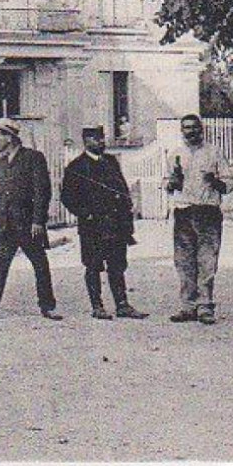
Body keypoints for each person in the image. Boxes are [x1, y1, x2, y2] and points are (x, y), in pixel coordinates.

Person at [0, 119, 62, 321]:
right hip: (4, 225)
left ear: (9, 137)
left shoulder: (33, 158)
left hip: (29, 225)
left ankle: (48, 306)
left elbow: (42, 191)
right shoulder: (1, 163)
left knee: (40, 264)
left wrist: (38, 220)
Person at [61, 125, 148, 321]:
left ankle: (122, 305)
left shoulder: (111, 162)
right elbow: (67, 197)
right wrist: (86, 214)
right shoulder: (76, 166)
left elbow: (122, 188)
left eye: (101, 138)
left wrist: (127, 216)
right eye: (95, 139)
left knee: (117, 265)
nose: (100, 142)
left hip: (115, 224)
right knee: (93, 266)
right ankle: (97, 306)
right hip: (93, 226)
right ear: (86, 141)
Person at [166, 114, 233, 326]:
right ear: (182, 131)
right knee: (184, 260)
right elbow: (168, 183)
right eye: (186, 128)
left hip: (208, 212)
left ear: (201, 129)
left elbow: (229, 182)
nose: (190, 131)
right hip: (184, 211)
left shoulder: (213, 152)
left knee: (207, 260)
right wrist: (173, 182)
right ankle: (187, 306)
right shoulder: (176, 154)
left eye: (194, 127)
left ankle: (205, 306)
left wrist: (214, 181)